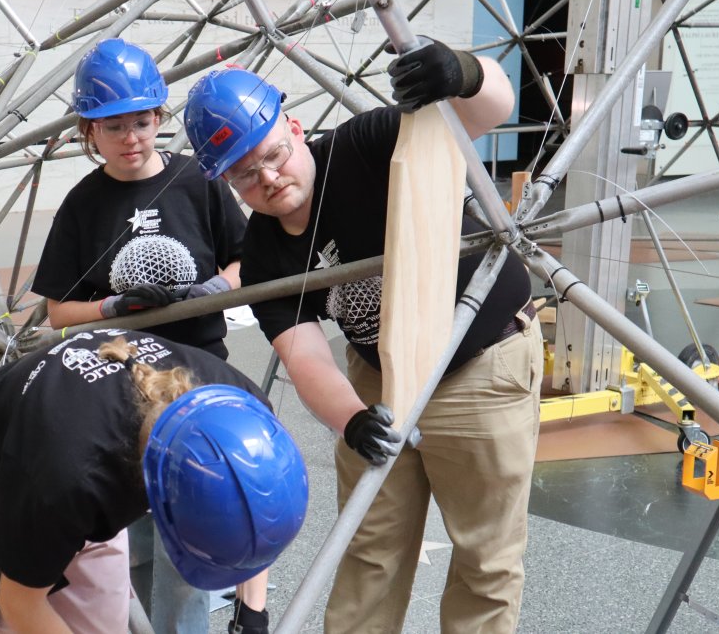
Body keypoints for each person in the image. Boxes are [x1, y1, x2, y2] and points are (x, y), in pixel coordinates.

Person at [184, 39, 541, 634]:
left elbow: (489, 110)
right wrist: (352, 419)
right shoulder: (266, 254)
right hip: (380, 378)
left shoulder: (368, 143)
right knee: (370, 549)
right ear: (227, 184)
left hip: (480, 365)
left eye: (273, 153)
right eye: (245, 175)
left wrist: (464, 71)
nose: (268, 178)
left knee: (486, 558)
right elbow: (304, 356)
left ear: (293, 126)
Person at [31, 37, 249, 632]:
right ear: (89, 131)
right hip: (120, 391)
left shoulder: (198, 182)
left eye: (142, 121)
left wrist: (213, 290)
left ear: (159, 117)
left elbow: (244, 260)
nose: (131, 137)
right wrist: (111, 306)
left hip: (195, 379)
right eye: (113, 126)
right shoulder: (81, 205)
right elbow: (58, 312)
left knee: (189, 536)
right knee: (133, 540)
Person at [0, 329, 307, 634]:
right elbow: (18, 602)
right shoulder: (72, 478)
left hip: (75, 456)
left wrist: (252, 616)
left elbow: (254, 516)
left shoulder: (241, 408)